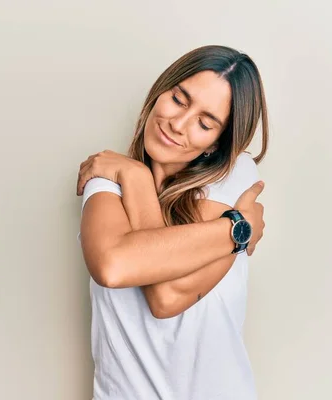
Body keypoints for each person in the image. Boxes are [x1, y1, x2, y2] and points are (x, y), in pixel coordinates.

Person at [76, 45, 268, 400]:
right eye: (179, 100)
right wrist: (236, 229)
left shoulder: (234, 176)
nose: (177, 125)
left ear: (216, 144)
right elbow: (114, 266)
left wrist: (134, 177)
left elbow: (165, 295)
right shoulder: (106, 181)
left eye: (205, 123)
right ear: (160, 91)